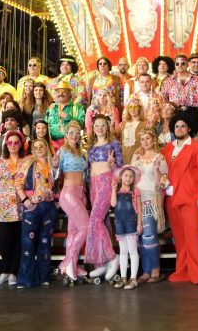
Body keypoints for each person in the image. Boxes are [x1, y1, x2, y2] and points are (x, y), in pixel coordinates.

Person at [161, 112, 198, 286]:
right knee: (180, 237)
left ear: (189, 128)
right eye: (176, 126)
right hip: (171, 198)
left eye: (183, 126)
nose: (179, 128)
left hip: (192, 198)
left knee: (194, 236)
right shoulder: (167, 149)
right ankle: (183, 271)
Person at [0, 130, 31, 286]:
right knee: (4, 240)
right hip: (3, 206)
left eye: (16, 142)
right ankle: (4, 270)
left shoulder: (27, 161)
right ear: (6, 144)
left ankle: (13, 272)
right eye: (10, 142)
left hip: (21, 206)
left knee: (17, 240)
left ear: (21, 144)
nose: (13, 145)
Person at [16, 139, 58, 288]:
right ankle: (25, 279)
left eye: (42, 146)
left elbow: (57, 183)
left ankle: (43, 276)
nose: (39, 149)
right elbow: (18, 183)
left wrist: (56, 199)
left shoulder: (52, 162)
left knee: (45, 243)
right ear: (32, 149)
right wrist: (25, 200)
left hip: (49, 207)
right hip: (33, 206)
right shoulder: (28, 162)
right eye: (36, 147)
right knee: (28, 243)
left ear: (46, 147)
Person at [86, 115, 123, 280]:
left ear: (107, 127)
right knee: (103, 221)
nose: (99, 128)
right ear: (93, 128)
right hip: (93, 185)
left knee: (95, 219)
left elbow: (121, 167)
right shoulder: (91, 146)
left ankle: (112, 257)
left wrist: (114, 163)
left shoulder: (113, 143)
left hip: (106, 181)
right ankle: (101, 263)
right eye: (97, 125)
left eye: (103, 125)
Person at [53, 121, 90, 283]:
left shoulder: (83, 153)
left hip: (81, 193)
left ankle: (72, 266)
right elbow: (54, 173)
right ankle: (67, 262)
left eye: (77, 132)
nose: (75, 135)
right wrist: (54, 165)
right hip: (68, 193)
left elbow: (87, 176)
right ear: (66, 135)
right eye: (71, 132)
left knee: (74, 232)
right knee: (86, 227)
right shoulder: (62, 151)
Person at [131, 127, 168, 283]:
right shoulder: (137, 157)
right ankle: (146, 271)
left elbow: (164, 181)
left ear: (153, 139)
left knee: (149, 237)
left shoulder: (160, 158)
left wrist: (158, 171)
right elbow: (130, 178)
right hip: (138, 201)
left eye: (148, 138)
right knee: (141, 238)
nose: (145, 142)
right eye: (142, 139)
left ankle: (155, 269)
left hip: (152, 201)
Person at [111, 165, 142, 290]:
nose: (128, 178)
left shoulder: (135, 192)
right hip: (119, 223)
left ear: (134, 179)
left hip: (131, 222)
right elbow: (113, 204)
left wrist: (139, 223)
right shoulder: (116, 191)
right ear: (121, 177)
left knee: (132, 251)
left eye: (131, 176)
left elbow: (139, 209)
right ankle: (123, 277)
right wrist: (113, 189)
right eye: (126, 176)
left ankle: (133, 278)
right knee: (123, 251)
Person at [159, 53, 198, 134]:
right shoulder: (168, 81)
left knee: (193, 137)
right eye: (177, 64)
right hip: (175, 112)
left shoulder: (197, 79)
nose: (180, 65)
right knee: (176, 137)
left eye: (182, 63)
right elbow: (163, 98)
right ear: (174, 65)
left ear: (187, 64)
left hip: (192, 112)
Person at [46, 84, 86, 150]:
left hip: (72, 144)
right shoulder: (51, 108)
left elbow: (82, 124)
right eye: (58, 92)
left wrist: (69, 117)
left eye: (64, 91)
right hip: (53, 146)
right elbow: (45, 124)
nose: (60, 94)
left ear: (69, 94)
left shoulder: (77, 107)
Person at [120, 97, 145, 163]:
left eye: (135, 107)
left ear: (140, 108)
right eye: (130, 107)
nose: (132, 109)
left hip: (139, 157)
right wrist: (113, 122)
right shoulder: (124, 123)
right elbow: (113, 135)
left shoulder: (145, 123)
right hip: (125, 157)